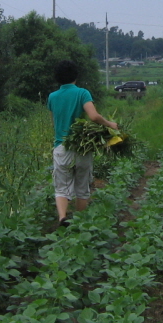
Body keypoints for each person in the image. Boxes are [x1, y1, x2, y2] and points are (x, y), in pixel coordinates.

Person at [47, 59, 118, 227]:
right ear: (75, 76)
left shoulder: (52, 97)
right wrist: (110, 124)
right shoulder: (82, 93)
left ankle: (63, 217)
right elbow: (93, 116)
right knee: (82, 187)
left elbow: (54, 121)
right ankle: (80, 222)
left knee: (61, 188)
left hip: (61, 147)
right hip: (82, 147)